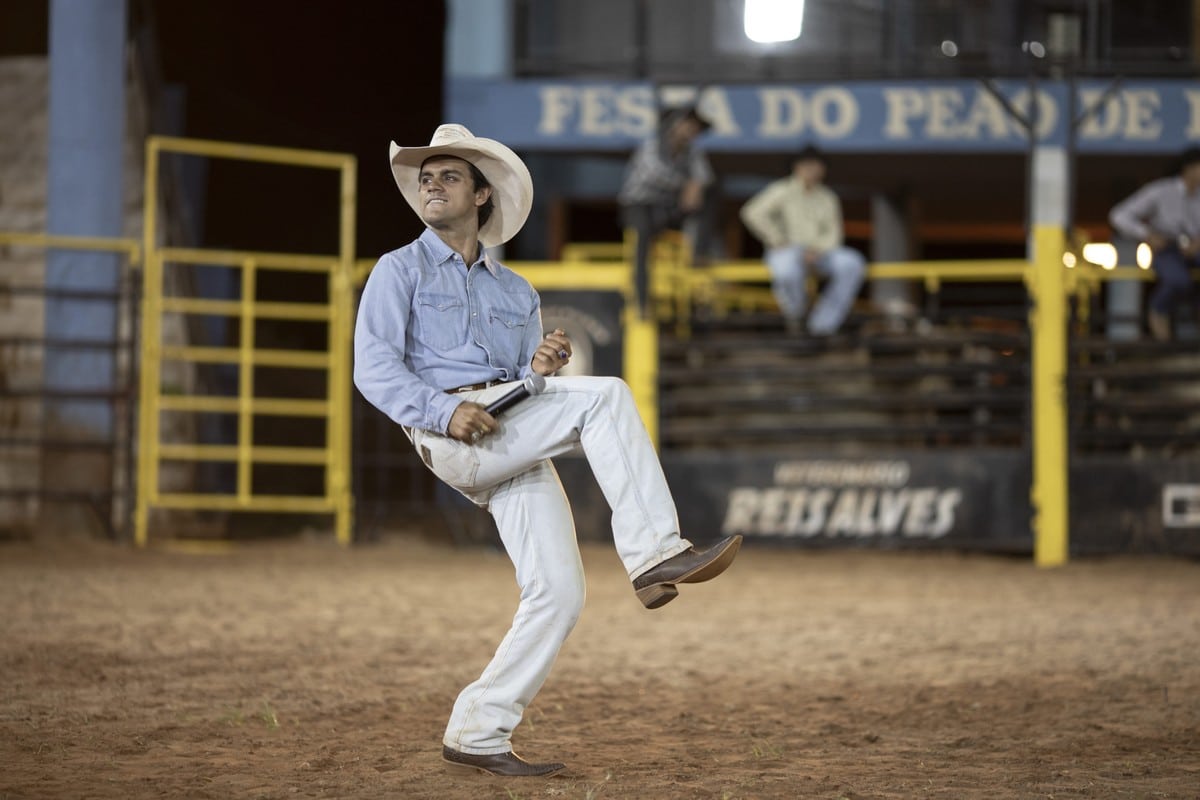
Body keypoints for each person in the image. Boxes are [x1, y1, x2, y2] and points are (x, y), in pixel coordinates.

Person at [353, 124, 741, 778]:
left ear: (481, 196)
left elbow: (518, 389)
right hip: (450, 435)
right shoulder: (398, 270)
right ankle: (654, 555)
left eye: (449, 176)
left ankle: (479, 728)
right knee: (608, 396)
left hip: (504, 433)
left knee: (558, 593)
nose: (431, 184)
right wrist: (446, 410)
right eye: (426, 176)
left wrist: (536, 369)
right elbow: (374, 368)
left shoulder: (516, 293)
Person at [739, 145, 866, 336]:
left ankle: (822, 325)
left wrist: (818, 250)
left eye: (816, 165)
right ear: (796, 167)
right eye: (807, 165)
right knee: (786, 271)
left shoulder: (827, 197)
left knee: (852, 263)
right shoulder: (782, 190)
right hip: (786, 249)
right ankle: (797, 316)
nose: (812, 170)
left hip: (821, 252)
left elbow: (833, 233)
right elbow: (752, 213)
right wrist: (777, 239)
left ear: (823, 169)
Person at [617, 105, 716, 313]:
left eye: (696, 128)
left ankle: (698, 252)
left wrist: (695, 187)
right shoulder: (652, 145)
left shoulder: (692, 151)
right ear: (675, 124)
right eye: (689, 125)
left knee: (709, 197)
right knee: (642, 238)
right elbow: (652, 173)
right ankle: (641, 302)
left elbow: (705, 177)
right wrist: (688, 185)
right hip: (639, 205)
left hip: (667, 207)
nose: (692, 131)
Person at [1109, 146, 1200, 341]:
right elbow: (1119, 215)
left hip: (1195, 248)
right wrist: (1147, 235)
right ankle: (1158, 309)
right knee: (1178, 281)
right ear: (1189, 168)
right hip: (1167, 247)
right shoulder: (1161, 191)